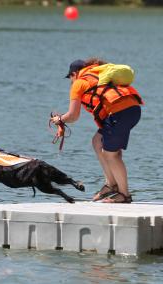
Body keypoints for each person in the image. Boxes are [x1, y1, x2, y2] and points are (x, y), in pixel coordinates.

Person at [50, 58, 143, 203]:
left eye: (70, 77)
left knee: (111, 154)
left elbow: (73, 116)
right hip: (131, 109)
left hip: (121, 112)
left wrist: (59, 119)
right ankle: (111, 184)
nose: (70, 81)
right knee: (97, 141)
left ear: (75, 74)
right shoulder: (99, 75)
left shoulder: (79, 83)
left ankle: (124, 195)